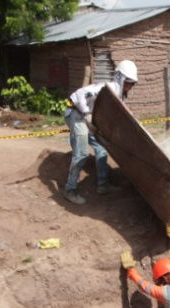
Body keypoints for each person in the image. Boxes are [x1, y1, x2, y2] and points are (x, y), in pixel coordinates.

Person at [61, 60, 138, 205]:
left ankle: (103, 185)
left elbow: (121, 109)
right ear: (120, 78)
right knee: (82, 153)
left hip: (88, 117)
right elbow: (79, 94)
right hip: (75, 113)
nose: (129, 86)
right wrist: (85, 113)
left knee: (102, 149)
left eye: (132, 83)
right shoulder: (106, 88)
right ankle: (69, 190)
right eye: (128, 82)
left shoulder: (118, 94)